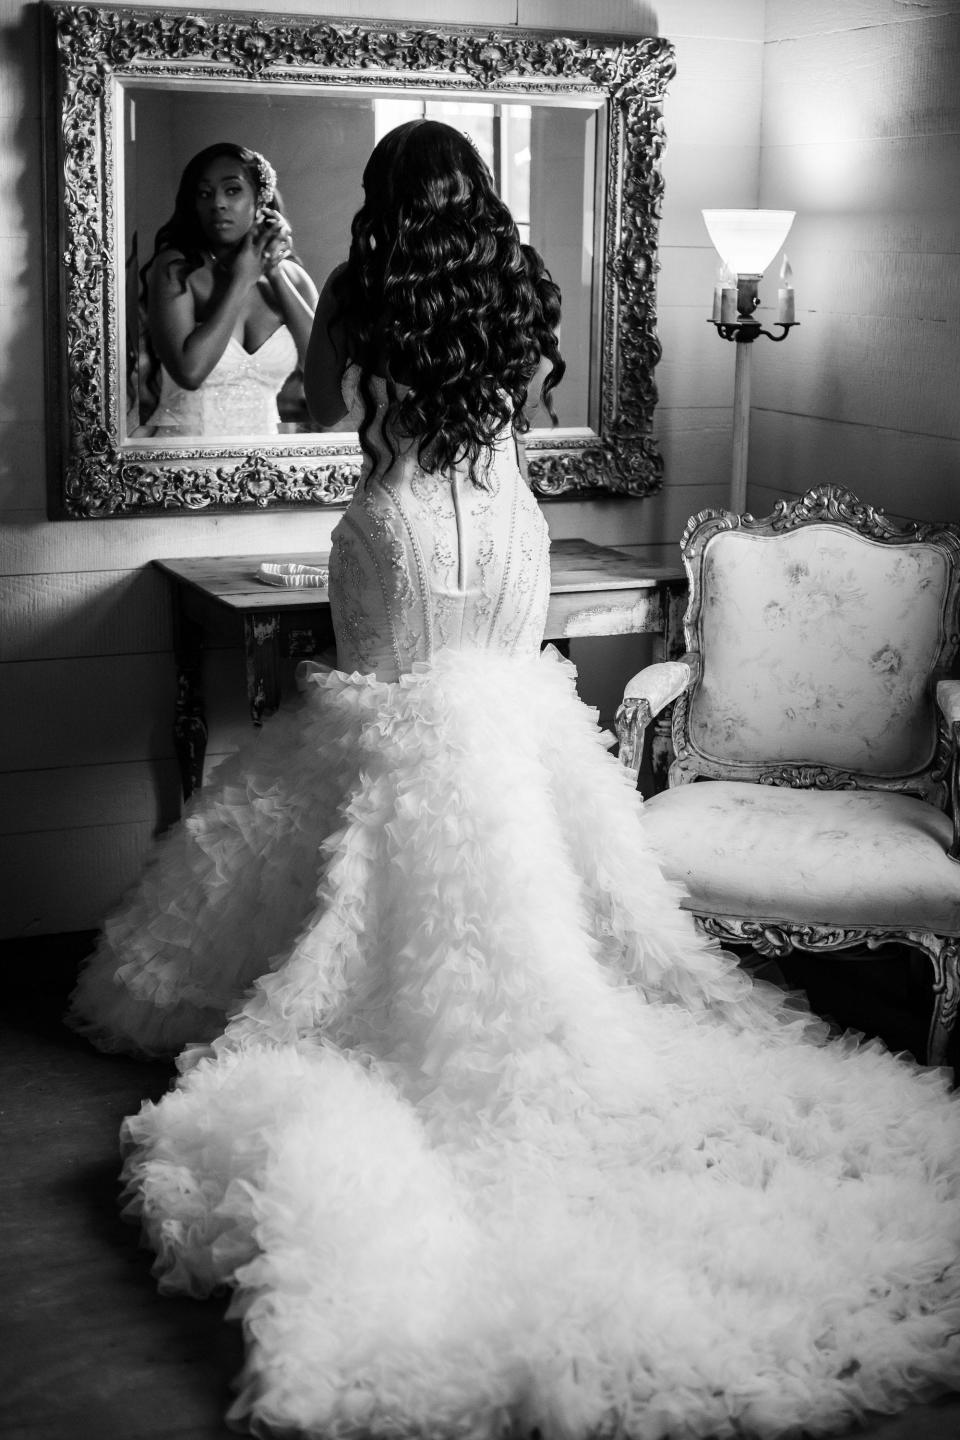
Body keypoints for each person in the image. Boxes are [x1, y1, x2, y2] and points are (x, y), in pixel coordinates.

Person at [69, 120, 960, 1440]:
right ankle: (530, 990)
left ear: (382, 199)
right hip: (505, 527)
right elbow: (519, 411)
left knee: (386, 730)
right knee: (490, 729)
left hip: (398, 525)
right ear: (477, 195)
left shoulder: (369, 291)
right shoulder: (505, 276)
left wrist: (337, 349)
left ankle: (393, 991)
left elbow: (315, 410)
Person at [132, 142, 318, 437]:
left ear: (260, 200)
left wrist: (273, 272)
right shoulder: (177, 269)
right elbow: (190, 373)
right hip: (183, 461)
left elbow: (323, 374)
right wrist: (242, 279)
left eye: (232, 190)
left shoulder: (293, 279)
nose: (217, 203)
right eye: (204, 193)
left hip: (264, 467)